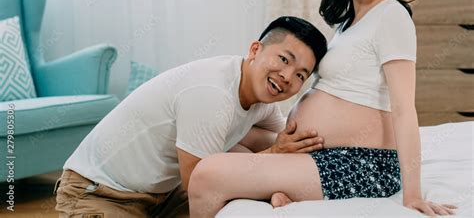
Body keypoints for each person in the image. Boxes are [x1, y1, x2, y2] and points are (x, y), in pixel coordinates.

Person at [188, 0, 457, 217]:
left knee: (206, 175)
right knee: (235, 141)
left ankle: (283, 188)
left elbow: (404, 108)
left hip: (363, 163)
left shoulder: (391, 15)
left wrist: (413, 195)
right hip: (326, 154)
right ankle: (283, 191)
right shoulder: (348, 23)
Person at [54, 16, 328, 217]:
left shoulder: (262, 100)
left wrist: (279, 184)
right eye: (284, 59)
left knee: (259, 144)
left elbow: (287, 143)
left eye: (301, 75)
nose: (288, 76)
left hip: (162, 194)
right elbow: (201, 184)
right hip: (100, 192)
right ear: (255, 50)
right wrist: (273, 156)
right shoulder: (212, 92)